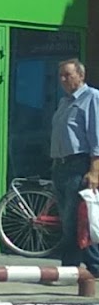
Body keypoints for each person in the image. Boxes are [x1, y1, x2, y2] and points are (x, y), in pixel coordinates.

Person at [50, 58, 99, 275]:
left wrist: (95, 171)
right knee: (70, 221)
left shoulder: (92, 98)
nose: (63, 79)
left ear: (81, 75)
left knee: (76, 220)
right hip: (60, 167)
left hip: (78, 165)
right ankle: (82, 268)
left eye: (68, 75)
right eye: (60, 75)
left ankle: (73, 268)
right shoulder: (64, 102)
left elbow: (96, 137)